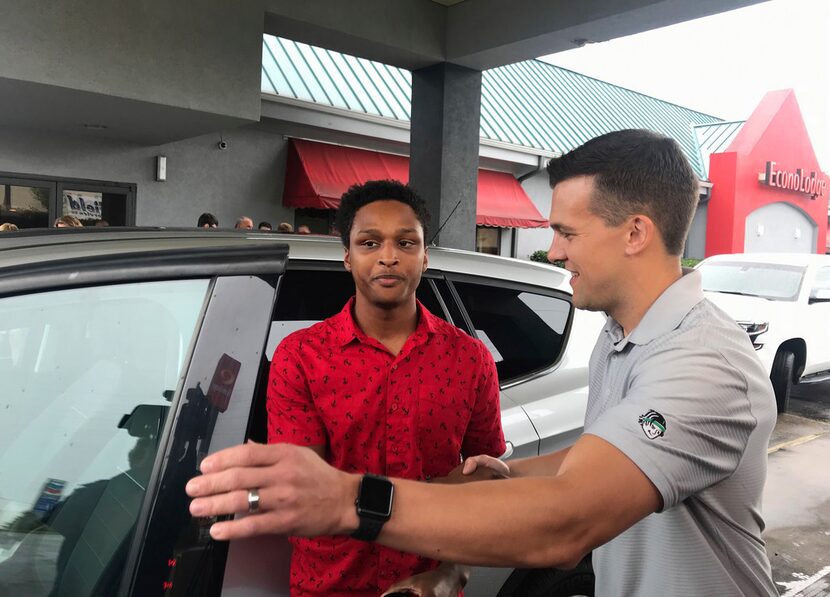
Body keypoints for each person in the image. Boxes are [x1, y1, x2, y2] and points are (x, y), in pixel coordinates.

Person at [187, 131, 778, 597]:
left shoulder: (703, 363)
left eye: (567, 231)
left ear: (635, 233)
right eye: (369, 244)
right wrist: (502, 476)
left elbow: (568, 523)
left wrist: (350, 500)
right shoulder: (621, 338)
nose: (554, 250)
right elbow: (588, 461)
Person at [265, 179, 505, 596]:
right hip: (328, 586)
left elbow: (487, 486)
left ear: (425, 256)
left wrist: (455, 572)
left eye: (406, 243)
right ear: (347, 257)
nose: (389, 257)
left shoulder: (470, 359)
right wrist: (429, 494)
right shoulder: (300, 357)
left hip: (431, 585)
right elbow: (302, 492)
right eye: (370, 243)